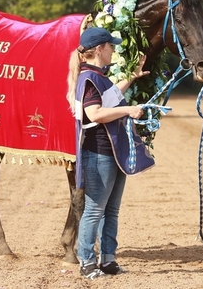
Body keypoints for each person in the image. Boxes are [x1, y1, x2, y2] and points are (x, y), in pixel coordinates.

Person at [66, 27, 152, 280]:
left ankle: (108, 259)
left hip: (111, 152)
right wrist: (129, 111)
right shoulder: (89, 79)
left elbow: (111, 100)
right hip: (99, 152)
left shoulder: (97, 77)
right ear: (100, 49)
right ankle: (87, 262)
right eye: (111, 46)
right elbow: (95, 114)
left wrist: (132, 78)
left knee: (111, 210)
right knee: (95, 210)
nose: (113, 50)